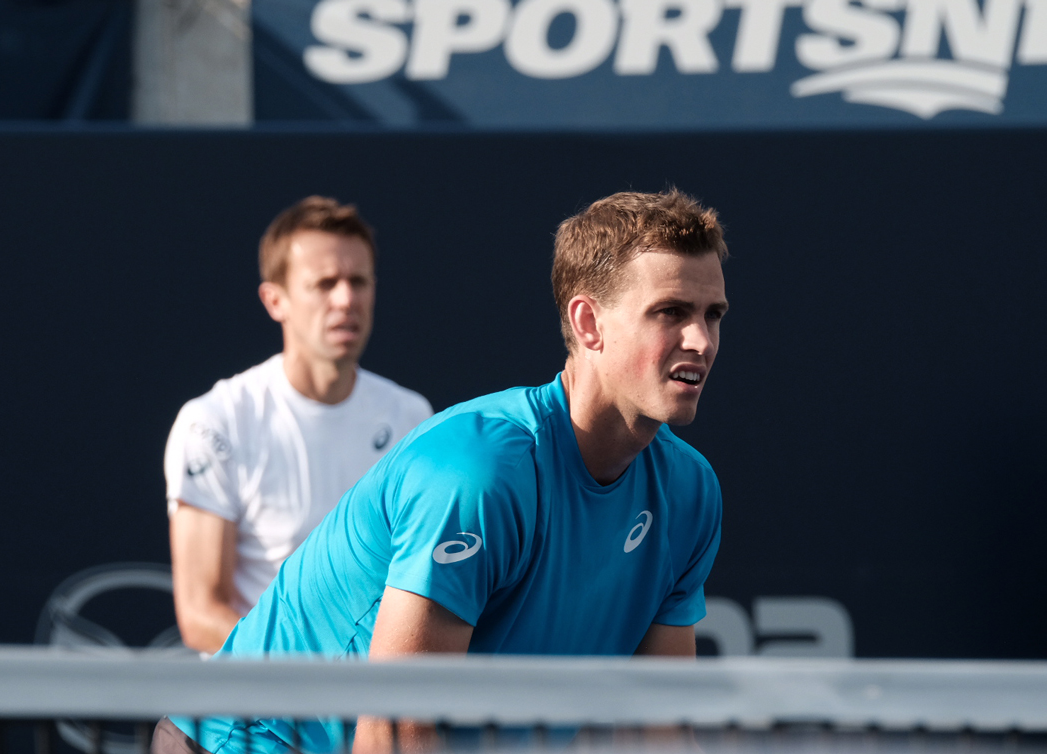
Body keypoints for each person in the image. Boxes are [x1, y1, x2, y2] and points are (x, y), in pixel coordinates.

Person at [151, 189, 730, 754]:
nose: (701, 340)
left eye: (713, 314)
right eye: (670, 313)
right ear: (588, 324)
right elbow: (397, 730)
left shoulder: (690, 492)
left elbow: (661, 726)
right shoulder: (479, 471)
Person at [165, 196, 433, 654]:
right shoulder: (214, 421)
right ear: (275, 300)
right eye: (324, 283)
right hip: (252, 713)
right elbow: (201, 613)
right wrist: (317, 677)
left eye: (359, 281)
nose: (346, 299)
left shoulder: (411, 418)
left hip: (368, 705)